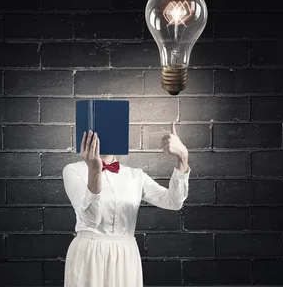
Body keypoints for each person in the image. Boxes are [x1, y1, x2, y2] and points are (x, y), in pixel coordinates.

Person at [62, 122, 190, 287]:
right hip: (90, 253)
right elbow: (90, 220)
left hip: (126, 254)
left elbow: (174, 201)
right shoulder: (73, 170)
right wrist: (94, 170)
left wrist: (183, 157)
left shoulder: (135, 175)